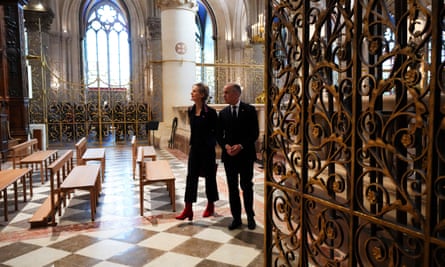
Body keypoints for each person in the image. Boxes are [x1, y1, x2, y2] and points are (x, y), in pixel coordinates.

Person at [217, 82, 259, 230]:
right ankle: (236, 218)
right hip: (229, 157)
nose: (224, 95)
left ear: (236, 94)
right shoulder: (223, 113)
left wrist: (241, 146)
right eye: (224, 93)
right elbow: (219, 135)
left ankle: (250, 217)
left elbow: (254, 133)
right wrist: (226, 146)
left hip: (245, 155)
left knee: (247, 187)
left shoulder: (250, 110)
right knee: (232, 188)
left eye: (226, 92)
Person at [176, 82, 219, 220]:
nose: (191, 93)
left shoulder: (211, 113)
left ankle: (211, 205)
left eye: (194, 91)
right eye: (192, 91)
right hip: (194, 149)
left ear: (202, 95)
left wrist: (209, 143)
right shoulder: (191, 110)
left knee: (210, 178)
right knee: (191, 177)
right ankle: (188, 208)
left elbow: (216, 132)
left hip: (207, 150)